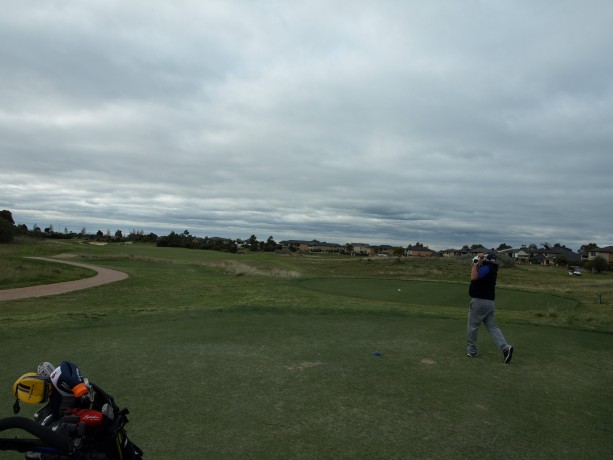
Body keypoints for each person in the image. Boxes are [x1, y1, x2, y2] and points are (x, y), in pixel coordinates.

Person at [467, 252, 513, 363]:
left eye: (485, 258)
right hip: (489, 302)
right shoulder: (491, 268)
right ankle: (505, 348)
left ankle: (472, 350)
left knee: (472, 327)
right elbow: (478, 272)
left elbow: (474, 277)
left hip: (479, 301)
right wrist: (477, 261)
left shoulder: (487, 268)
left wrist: (475, 262)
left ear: (488, 260)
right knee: (492, 326)